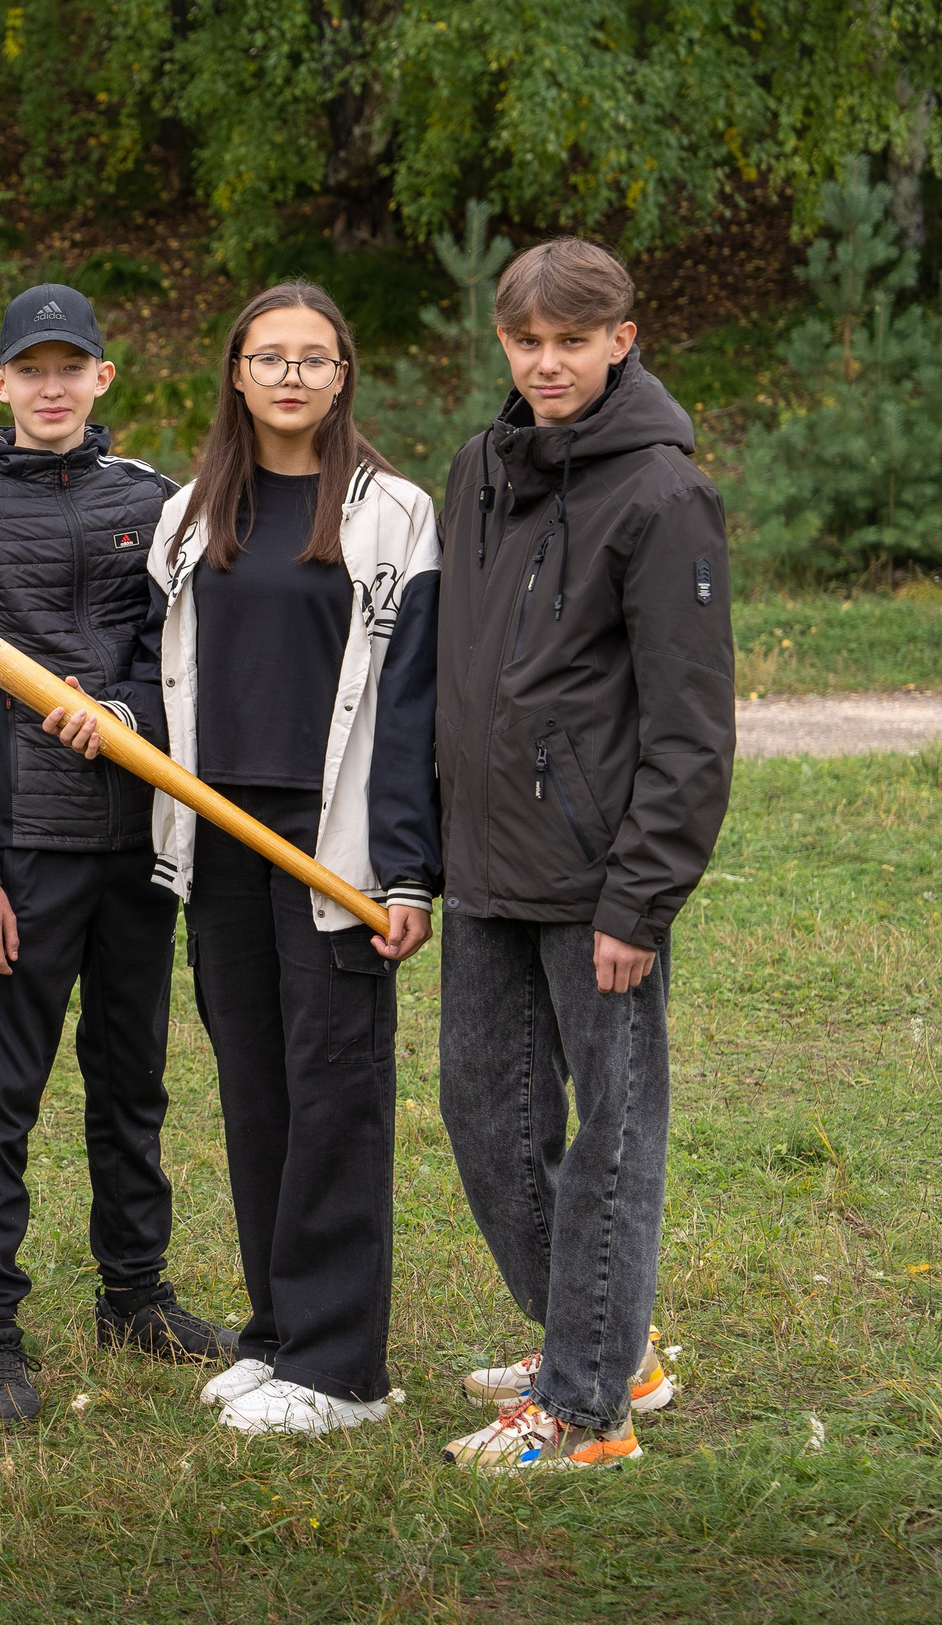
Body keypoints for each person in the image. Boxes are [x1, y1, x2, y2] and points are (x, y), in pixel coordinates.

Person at [71, 281, 439, 1437]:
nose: (289, 375)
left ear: (343, 377)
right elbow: (155, 667)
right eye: (267, 356)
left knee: (336, 1096)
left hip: (332, 847)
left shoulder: (395, 514)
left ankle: (344, 1373)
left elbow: (414, 706)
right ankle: (277, 1334)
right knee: (256, 1088)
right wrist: (119, 715)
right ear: (235, 373)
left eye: (312, 358)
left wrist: (407, 872)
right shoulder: (190, 515)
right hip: (216, 833)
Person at [0, 283, 233, 1423]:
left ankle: (135, 1295)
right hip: (23, 849)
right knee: (6, 1091)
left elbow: (175, 658)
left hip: (138, 840)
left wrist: (128, 716)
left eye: (72, 367)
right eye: (29, 370)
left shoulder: (155, 500)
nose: (51, 388)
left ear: (103, 379)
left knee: (130, 1079)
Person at [434, 239, 728, 1470]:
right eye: (525, 340)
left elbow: (691, 730)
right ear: (502, 343)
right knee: (482, 1117)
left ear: (621, 339)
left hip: (596, 882)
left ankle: (588, 1407)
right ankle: (599, 1339)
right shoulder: (480, 471)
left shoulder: (663, 495)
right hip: (481, 865)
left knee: (607, 1134)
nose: (546, 363)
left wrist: (638, 899)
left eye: (572, 340)